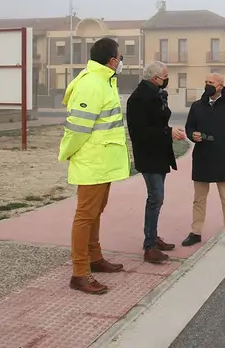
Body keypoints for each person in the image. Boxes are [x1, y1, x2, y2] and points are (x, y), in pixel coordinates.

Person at [58, 37, 131, 295]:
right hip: (92, 160)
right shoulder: (92, 84)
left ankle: (95, 258)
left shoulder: (105, 81)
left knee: (96, 211)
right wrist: (66, 153)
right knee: (85, 215)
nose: (121, 62)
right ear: (112, 61)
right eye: (120, 57)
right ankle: (79, 273)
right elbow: (78, 127)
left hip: (103, 161)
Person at [126, 61, 186, 264]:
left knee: (156, 199)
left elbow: (159, 121)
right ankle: (149, 246)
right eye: (164, 76)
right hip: (148, 155)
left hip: (159, 153)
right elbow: (140, 132)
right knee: (155, 198)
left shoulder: (158, 94)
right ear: (154, 78)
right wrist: (168, 132)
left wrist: (168, 131)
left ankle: (152, 237)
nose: (167, 80)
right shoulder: (139, 99)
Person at [181, 73, 225, 250]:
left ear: (220, 86)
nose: (207, 85)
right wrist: (192, 135)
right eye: (205, 82)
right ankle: (195, 232)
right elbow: (190, 127)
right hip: (202, 157)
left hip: (223, 158)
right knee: (198, 199)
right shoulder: (197, 106)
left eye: (210, 83)